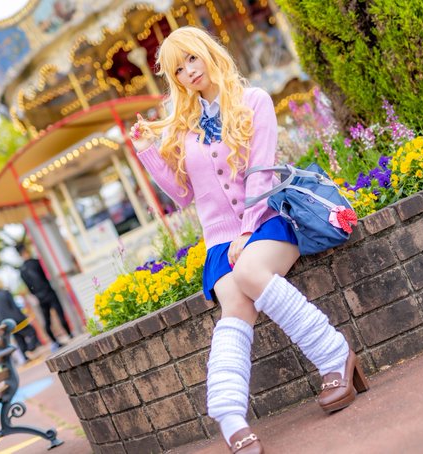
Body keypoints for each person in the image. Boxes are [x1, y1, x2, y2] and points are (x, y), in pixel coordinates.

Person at [130, 27, 369, 454]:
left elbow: (262, 170)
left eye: (192, 59)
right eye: (178, 69)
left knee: (250, 272)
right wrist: (148, 150)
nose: (188, 72)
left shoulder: (253, 101)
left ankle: (334, 354)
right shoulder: (184, 130)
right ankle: (230, 418)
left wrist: (246, 230)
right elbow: (183, 195)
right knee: (234, 307)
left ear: (208, 53)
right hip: (219, 241)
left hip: (266, 219)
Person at [15, 243, 73, 350]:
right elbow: (46, 275)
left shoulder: (22, 270)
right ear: (26, 250)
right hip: (49, 291)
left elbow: (29, 287)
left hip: (39, 297)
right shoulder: (36, 262)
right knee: (60, 313)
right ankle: (70, 334)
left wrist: (35, 295)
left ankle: (54, 341)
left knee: (47, 320)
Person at [0, 277, 39, 361]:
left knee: (19, 338)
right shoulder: (6, 293)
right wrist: (23, 316)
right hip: (17, 319)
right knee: (32, 331)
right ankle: (31, 348)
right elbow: (14, 306)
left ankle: (25, 356)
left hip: (6, 324)